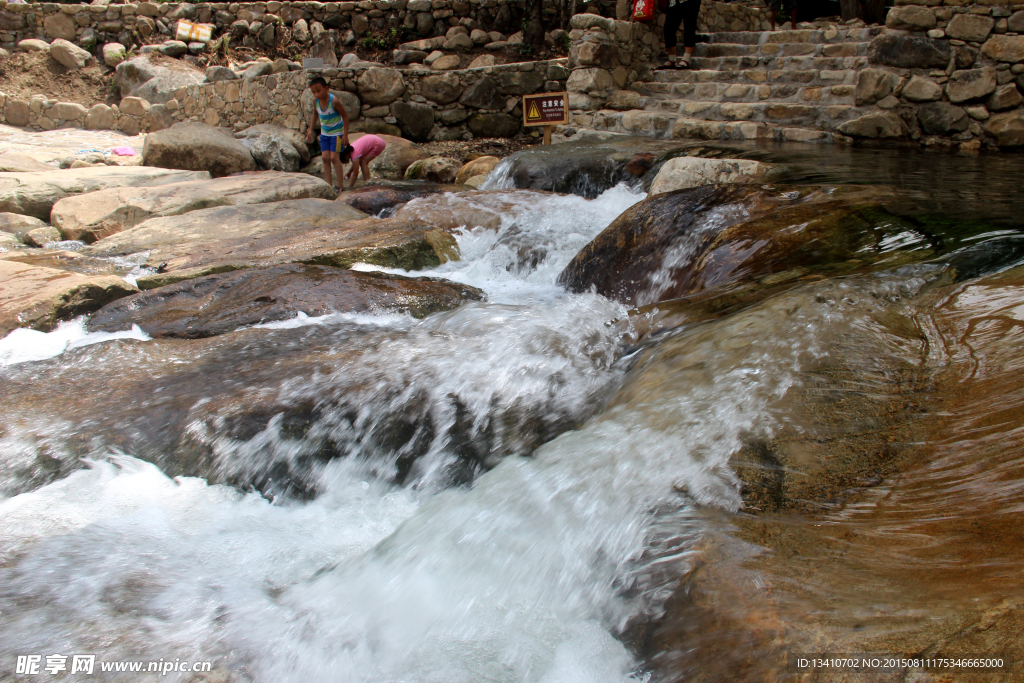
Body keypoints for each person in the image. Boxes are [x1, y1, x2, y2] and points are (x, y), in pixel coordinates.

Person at [305, 76, 350, 191]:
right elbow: (315, 114)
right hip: (325, 134)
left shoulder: (333, 101)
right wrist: (310, 129)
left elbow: (345, 116)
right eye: (313, 92)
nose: (316, 94)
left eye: (318, 91)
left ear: (327, 88)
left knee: (334, 158)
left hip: (337, 134)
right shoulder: (315, 101)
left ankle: (340, 186)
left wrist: (345, 134)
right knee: (325, 158)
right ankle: (328, 186)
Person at [658, 0, 702, 70]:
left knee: (689, 26)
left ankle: (686, 59)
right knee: (668, 28)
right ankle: (672, 59)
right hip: (674, 1)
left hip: (691, 2)